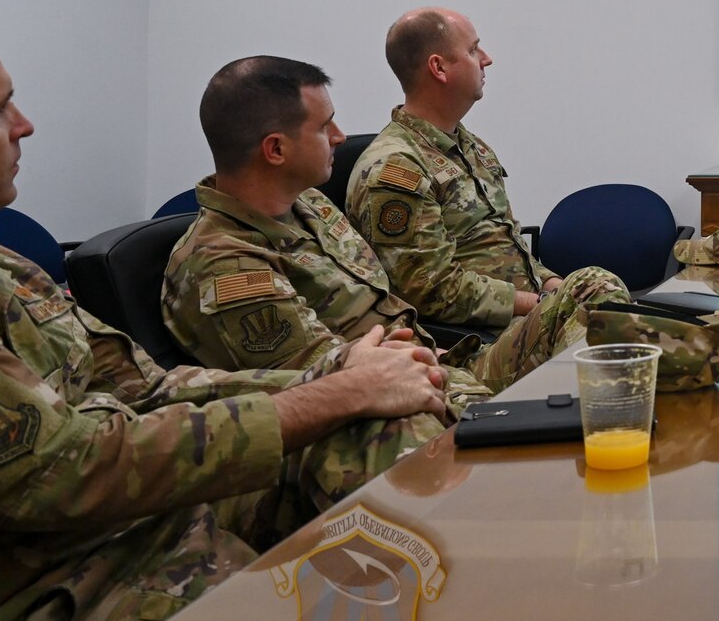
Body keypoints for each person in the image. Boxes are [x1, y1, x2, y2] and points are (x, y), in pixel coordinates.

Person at [0, 16, 449, 621]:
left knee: (380, 430)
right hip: (70, 576)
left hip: (156, 517)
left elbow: (150, 389)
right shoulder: (219, 260)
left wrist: (340, 380)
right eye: (0, 112)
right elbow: (73, 468)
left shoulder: (1, 267)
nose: (25, 125)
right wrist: (338, 391)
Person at [163, 56, 625, 398]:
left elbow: (387, 303)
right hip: (383, 403)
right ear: (276, 150)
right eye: (325, 127)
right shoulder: (224, 267)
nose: (341, 138)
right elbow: (323, 384)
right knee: (547, 413)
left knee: (593, 287)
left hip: (439, 361)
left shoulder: (311, 205)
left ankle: (610, 414)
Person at [345, 8, 620, 328]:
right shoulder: (396, 167)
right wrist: (545, 304)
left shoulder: (471, 147)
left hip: (526, 315)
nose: (487, 59)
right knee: (621, 337)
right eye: (473, 49)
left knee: (601, 290)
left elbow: (506, 247)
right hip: (477, 337)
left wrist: (553, 286)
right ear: (439, 67)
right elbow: (432, 290)